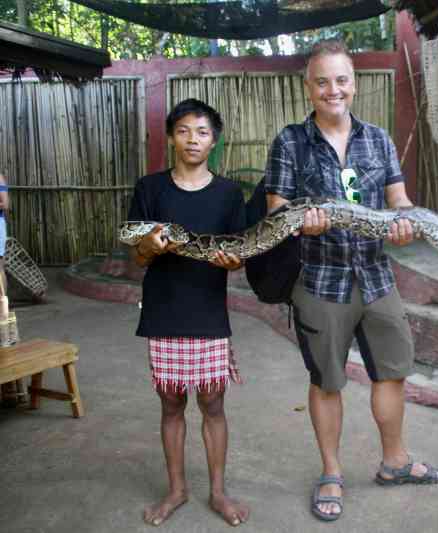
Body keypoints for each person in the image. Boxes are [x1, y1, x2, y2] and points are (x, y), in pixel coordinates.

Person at [263, 40, 438, 522]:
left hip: (375, 275)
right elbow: (275, 209)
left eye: (341, 80)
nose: (333, 89)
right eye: (322, 81)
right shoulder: (290, 141)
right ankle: (331, 472)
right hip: (321, 279)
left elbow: (399, 199)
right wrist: (301, 220)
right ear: (308, 87)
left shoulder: (378, 139)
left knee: (391, 370)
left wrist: (406, 221)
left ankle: (395, 461)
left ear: (355, 84)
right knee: (327, 380)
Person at [128, 98, 250, 527]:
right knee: (171, 402)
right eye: (183, 131)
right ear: (171, 137)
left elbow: (239, 253)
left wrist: (233, 262)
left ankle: (217, 492)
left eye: (201, 131)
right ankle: (176, 490)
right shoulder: (150, 190)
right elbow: (137, 257)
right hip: (164, 307)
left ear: (213, 140)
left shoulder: (230, 193)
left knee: (213, 402)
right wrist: (150, 245)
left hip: (207, 309)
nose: (192, 139)